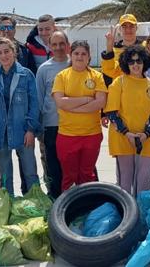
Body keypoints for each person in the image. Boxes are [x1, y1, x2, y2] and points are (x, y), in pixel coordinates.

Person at [0, 38, 40, 195]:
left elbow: (34, 104)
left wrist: (31, 130)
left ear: (14, 52)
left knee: (30, 173)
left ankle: (35, 206)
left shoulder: (26, 75)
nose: (3, 56)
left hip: (23, 131)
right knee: (5, 176)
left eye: (7, 51)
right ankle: (7, 207)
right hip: (0, 134)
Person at [52, 40, 108, 191]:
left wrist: (73, 107)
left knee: (87, 175)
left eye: (84, 54)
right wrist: (85, 100)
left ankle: (87, 208)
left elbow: (101, 102)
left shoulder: (97, 76)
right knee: (69, 177)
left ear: (89, 57)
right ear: (70, 55)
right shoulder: (62, 76)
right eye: (76, 53)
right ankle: (69, 211)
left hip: (92, 134)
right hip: (67, 135)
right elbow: (60, 102)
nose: (80, 57)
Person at [104, 45, 150, 196]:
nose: (135, 65)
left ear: (145, 62)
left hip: (145, 140)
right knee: (124, 184)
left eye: (139, 61)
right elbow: (112, 113)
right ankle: (126, 216)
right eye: (131, 61)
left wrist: (145, 134)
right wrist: (126, 133)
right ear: (125, 64)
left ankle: (141, 216)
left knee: (144, 183)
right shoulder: (118, 83)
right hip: (122, 139)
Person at [34, 31, 70, 198]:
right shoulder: (44, 69)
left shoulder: (76, 63)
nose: (58, 47)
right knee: (54, 168)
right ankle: (56, 202)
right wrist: (40, 128)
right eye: (54, 44)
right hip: (51, 125)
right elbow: (39, 100)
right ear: (49, 46)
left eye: (61, 43)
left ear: (67, 44)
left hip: (74, 126)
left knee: (74, 168)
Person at [100, 10, 150, 81]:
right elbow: (108, 71)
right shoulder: (111, 52)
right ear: (120, 29)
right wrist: (109, 48)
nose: (128, 30)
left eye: (131, 26)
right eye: (124, 27)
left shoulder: (146, 46)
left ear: (136, 28)